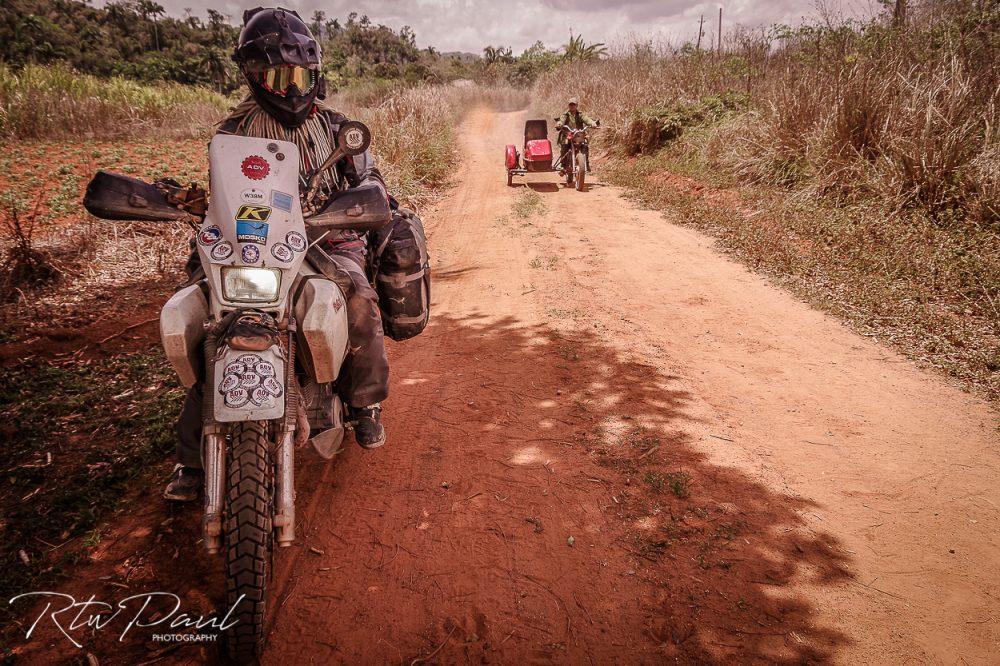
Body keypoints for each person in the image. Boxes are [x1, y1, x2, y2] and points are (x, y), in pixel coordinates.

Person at [165, 7, 389, 502]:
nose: (290, 87)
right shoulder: (234, 132)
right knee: (207, 315)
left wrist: (356, 201)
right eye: (275, 75)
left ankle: (364, 404)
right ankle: (192, 451)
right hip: (253, 242)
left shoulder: (337, 131)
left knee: (359, 302)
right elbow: (222, 191)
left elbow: (370, 184)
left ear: (315, 73)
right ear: (252, 76)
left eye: (299, 74)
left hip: (326, 238)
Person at [554, 97, 598, 172]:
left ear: (577, 105)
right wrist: (559, 124)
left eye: (573, 104)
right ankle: (563, 165)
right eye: (570, 104)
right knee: (565, 145)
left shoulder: (580, 114)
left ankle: (586, 164)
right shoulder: (566, 115)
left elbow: (586, 119)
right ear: (568, 105)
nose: (572, 106)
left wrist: (592, 123)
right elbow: (561, 120)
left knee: (585, 145)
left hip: (578, 135)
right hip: (568, 135)